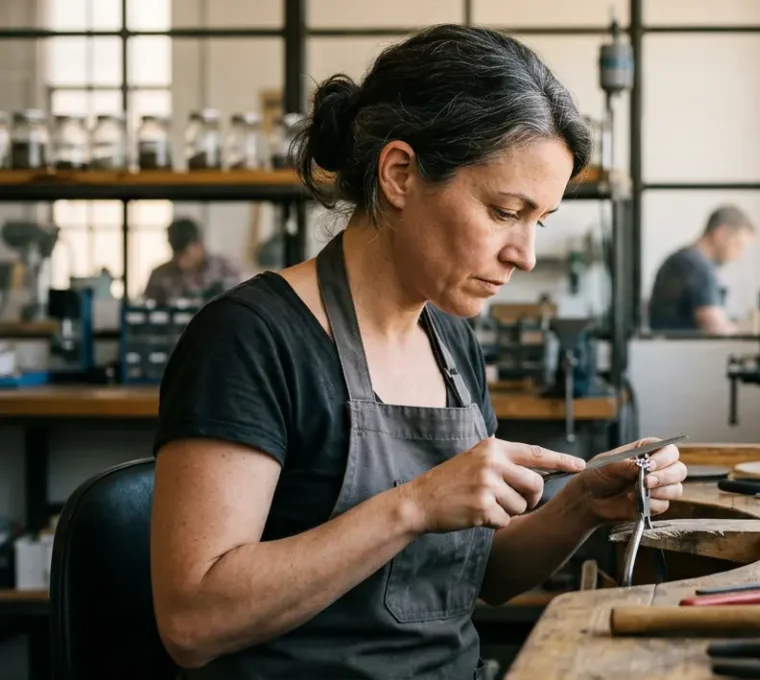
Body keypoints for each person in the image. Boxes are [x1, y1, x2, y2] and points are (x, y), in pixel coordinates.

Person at [148, 25, 687, 680]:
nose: (525, 255)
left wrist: (582, 507)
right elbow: (193, 621)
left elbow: (476, 575)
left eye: (538, 222)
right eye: (503, 211)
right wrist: (414, 505)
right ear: (400, 174)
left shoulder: (450, 339)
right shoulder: (252, 340)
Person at [648, 205, 755, 333]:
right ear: (720, 234)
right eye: (738, 245)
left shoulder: (684, 259)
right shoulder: (698, 267)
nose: (738, 256)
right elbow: (716, 328)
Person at [142, 217, 244, 302]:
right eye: (176, 255)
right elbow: (145, 308)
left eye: (186, 254)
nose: (181, 263)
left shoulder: (226, 269)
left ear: (200, 245)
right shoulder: (160, 274)